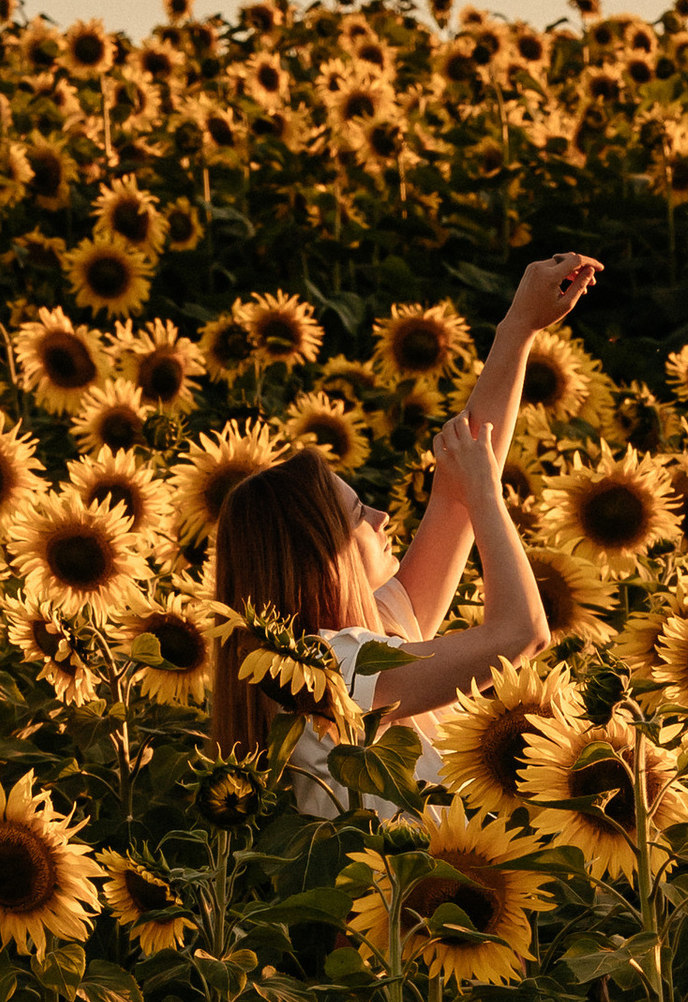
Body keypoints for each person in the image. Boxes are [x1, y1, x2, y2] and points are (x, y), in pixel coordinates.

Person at [207, 253, 600, 812]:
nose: (382, 518)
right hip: (401, 899)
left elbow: (455, 499)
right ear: (324, 556)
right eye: (359, 512)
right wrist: (489, 493)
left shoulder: (365, 645)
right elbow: (520, 634)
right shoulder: (328, 671)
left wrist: (519, 327)